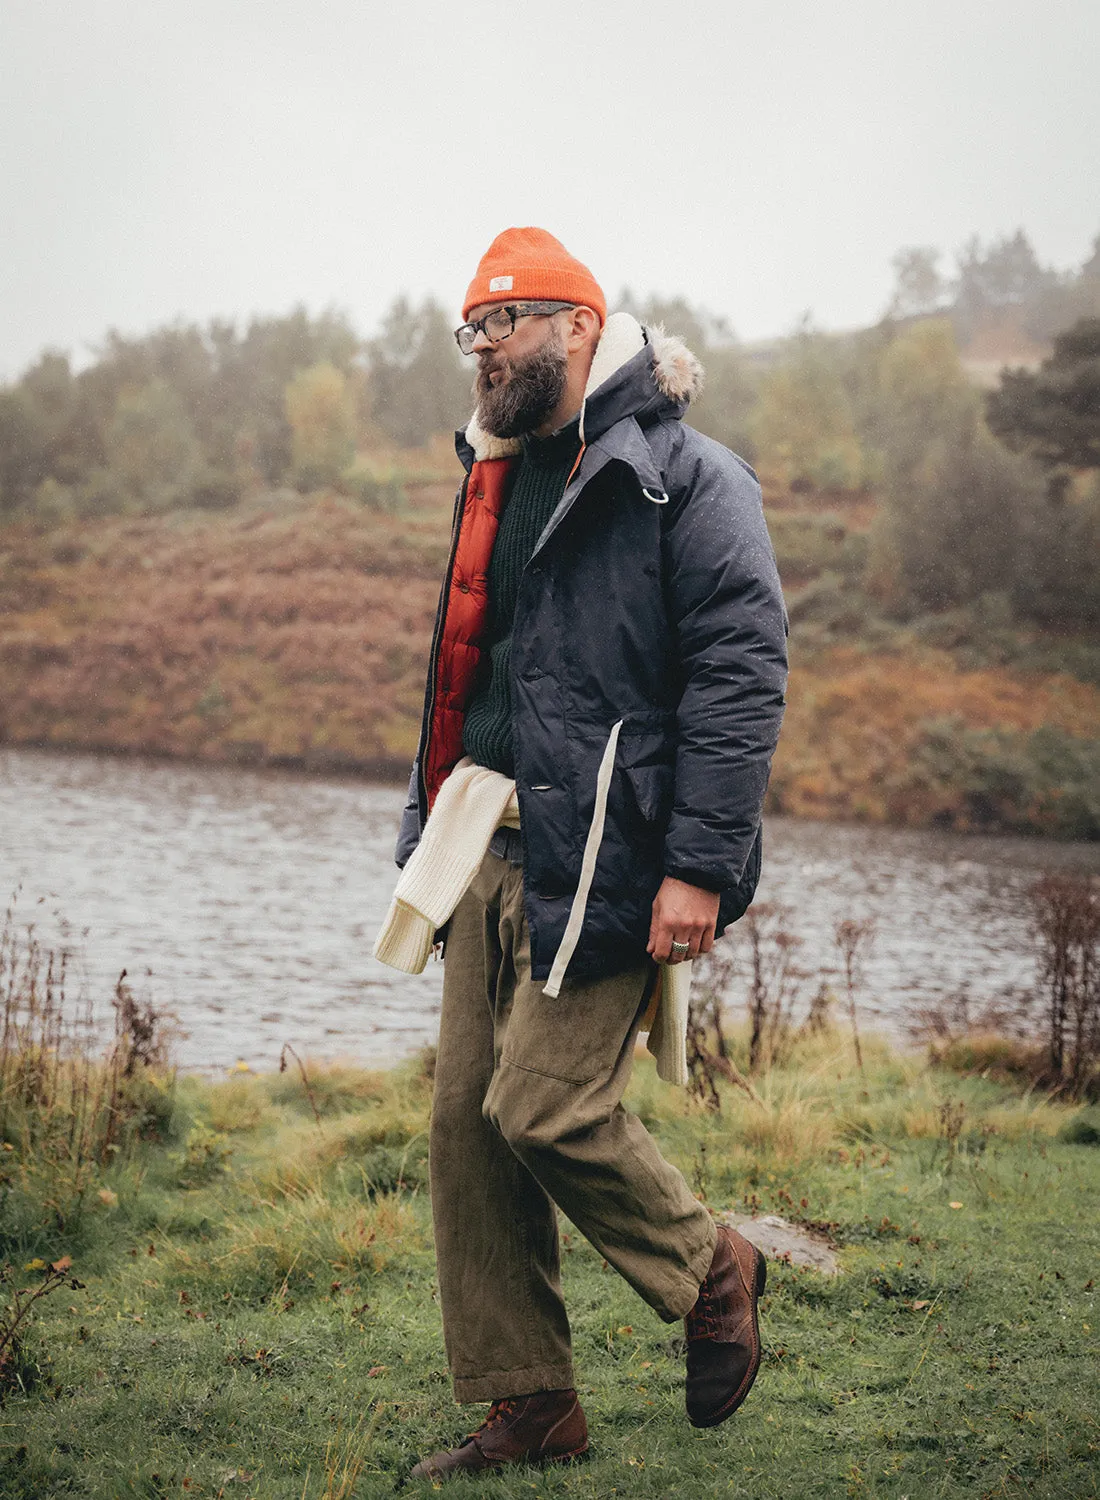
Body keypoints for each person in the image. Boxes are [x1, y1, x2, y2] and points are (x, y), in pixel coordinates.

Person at [376, 227, 788, 1482]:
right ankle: (529, 1404)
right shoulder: (491, 476)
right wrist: (421, 844)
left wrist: (701, 868)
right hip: (483, 845)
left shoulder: (684, 476)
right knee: (464, 1129)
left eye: (502, 325)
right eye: (470, 331)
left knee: (541, 1107)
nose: (482, 351)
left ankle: (713, 1267)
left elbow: (739, 669)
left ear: (578, 327)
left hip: (614, 849)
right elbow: (466, 673)